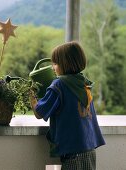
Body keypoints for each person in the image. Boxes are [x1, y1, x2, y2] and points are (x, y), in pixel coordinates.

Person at [29, 41, 105, 170]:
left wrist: (32, 97)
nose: (53, 68)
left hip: (72, 150)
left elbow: (39, 113)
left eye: (55, 64)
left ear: (64, 64)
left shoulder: (59, 85)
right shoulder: (84, 83)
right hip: (89, 147)